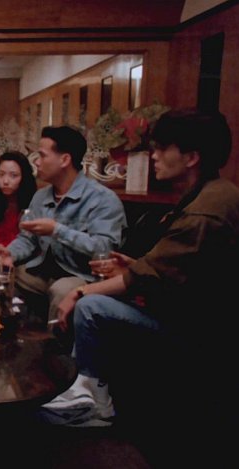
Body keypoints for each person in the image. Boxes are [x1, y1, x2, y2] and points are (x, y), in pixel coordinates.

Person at [44, 110, 239, 458]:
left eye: (162, 148)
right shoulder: (213, 193)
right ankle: (83, 386)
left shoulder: (205, 211)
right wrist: (134, 265)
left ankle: (93, 401)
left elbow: (149, 278)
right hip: (189, 314)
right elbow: (174, 269)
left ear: (191, 157)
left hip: (198, 332)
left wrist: (80, 291)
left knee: (90, 306)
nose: (153, 156)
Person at [0, 126, 126, 324]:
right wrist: (9, 253)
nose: (37, 162)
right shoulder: (41, 197)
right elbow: (27, 239)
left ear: (64, 160)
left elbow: (104, 249)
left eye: (42, 155)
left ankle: (52, 343)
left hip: (81, 276)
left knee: (61, 289)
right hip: (39, 272)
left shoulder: (102, 199)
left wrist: (58, 230)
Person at [0, 151, 36, 267]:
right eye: (1, 174)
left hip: (18, 264)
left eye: (13, 175)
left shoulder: (33, 207)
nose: (5, 181)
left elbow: (29, 245)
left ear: (24, 177)